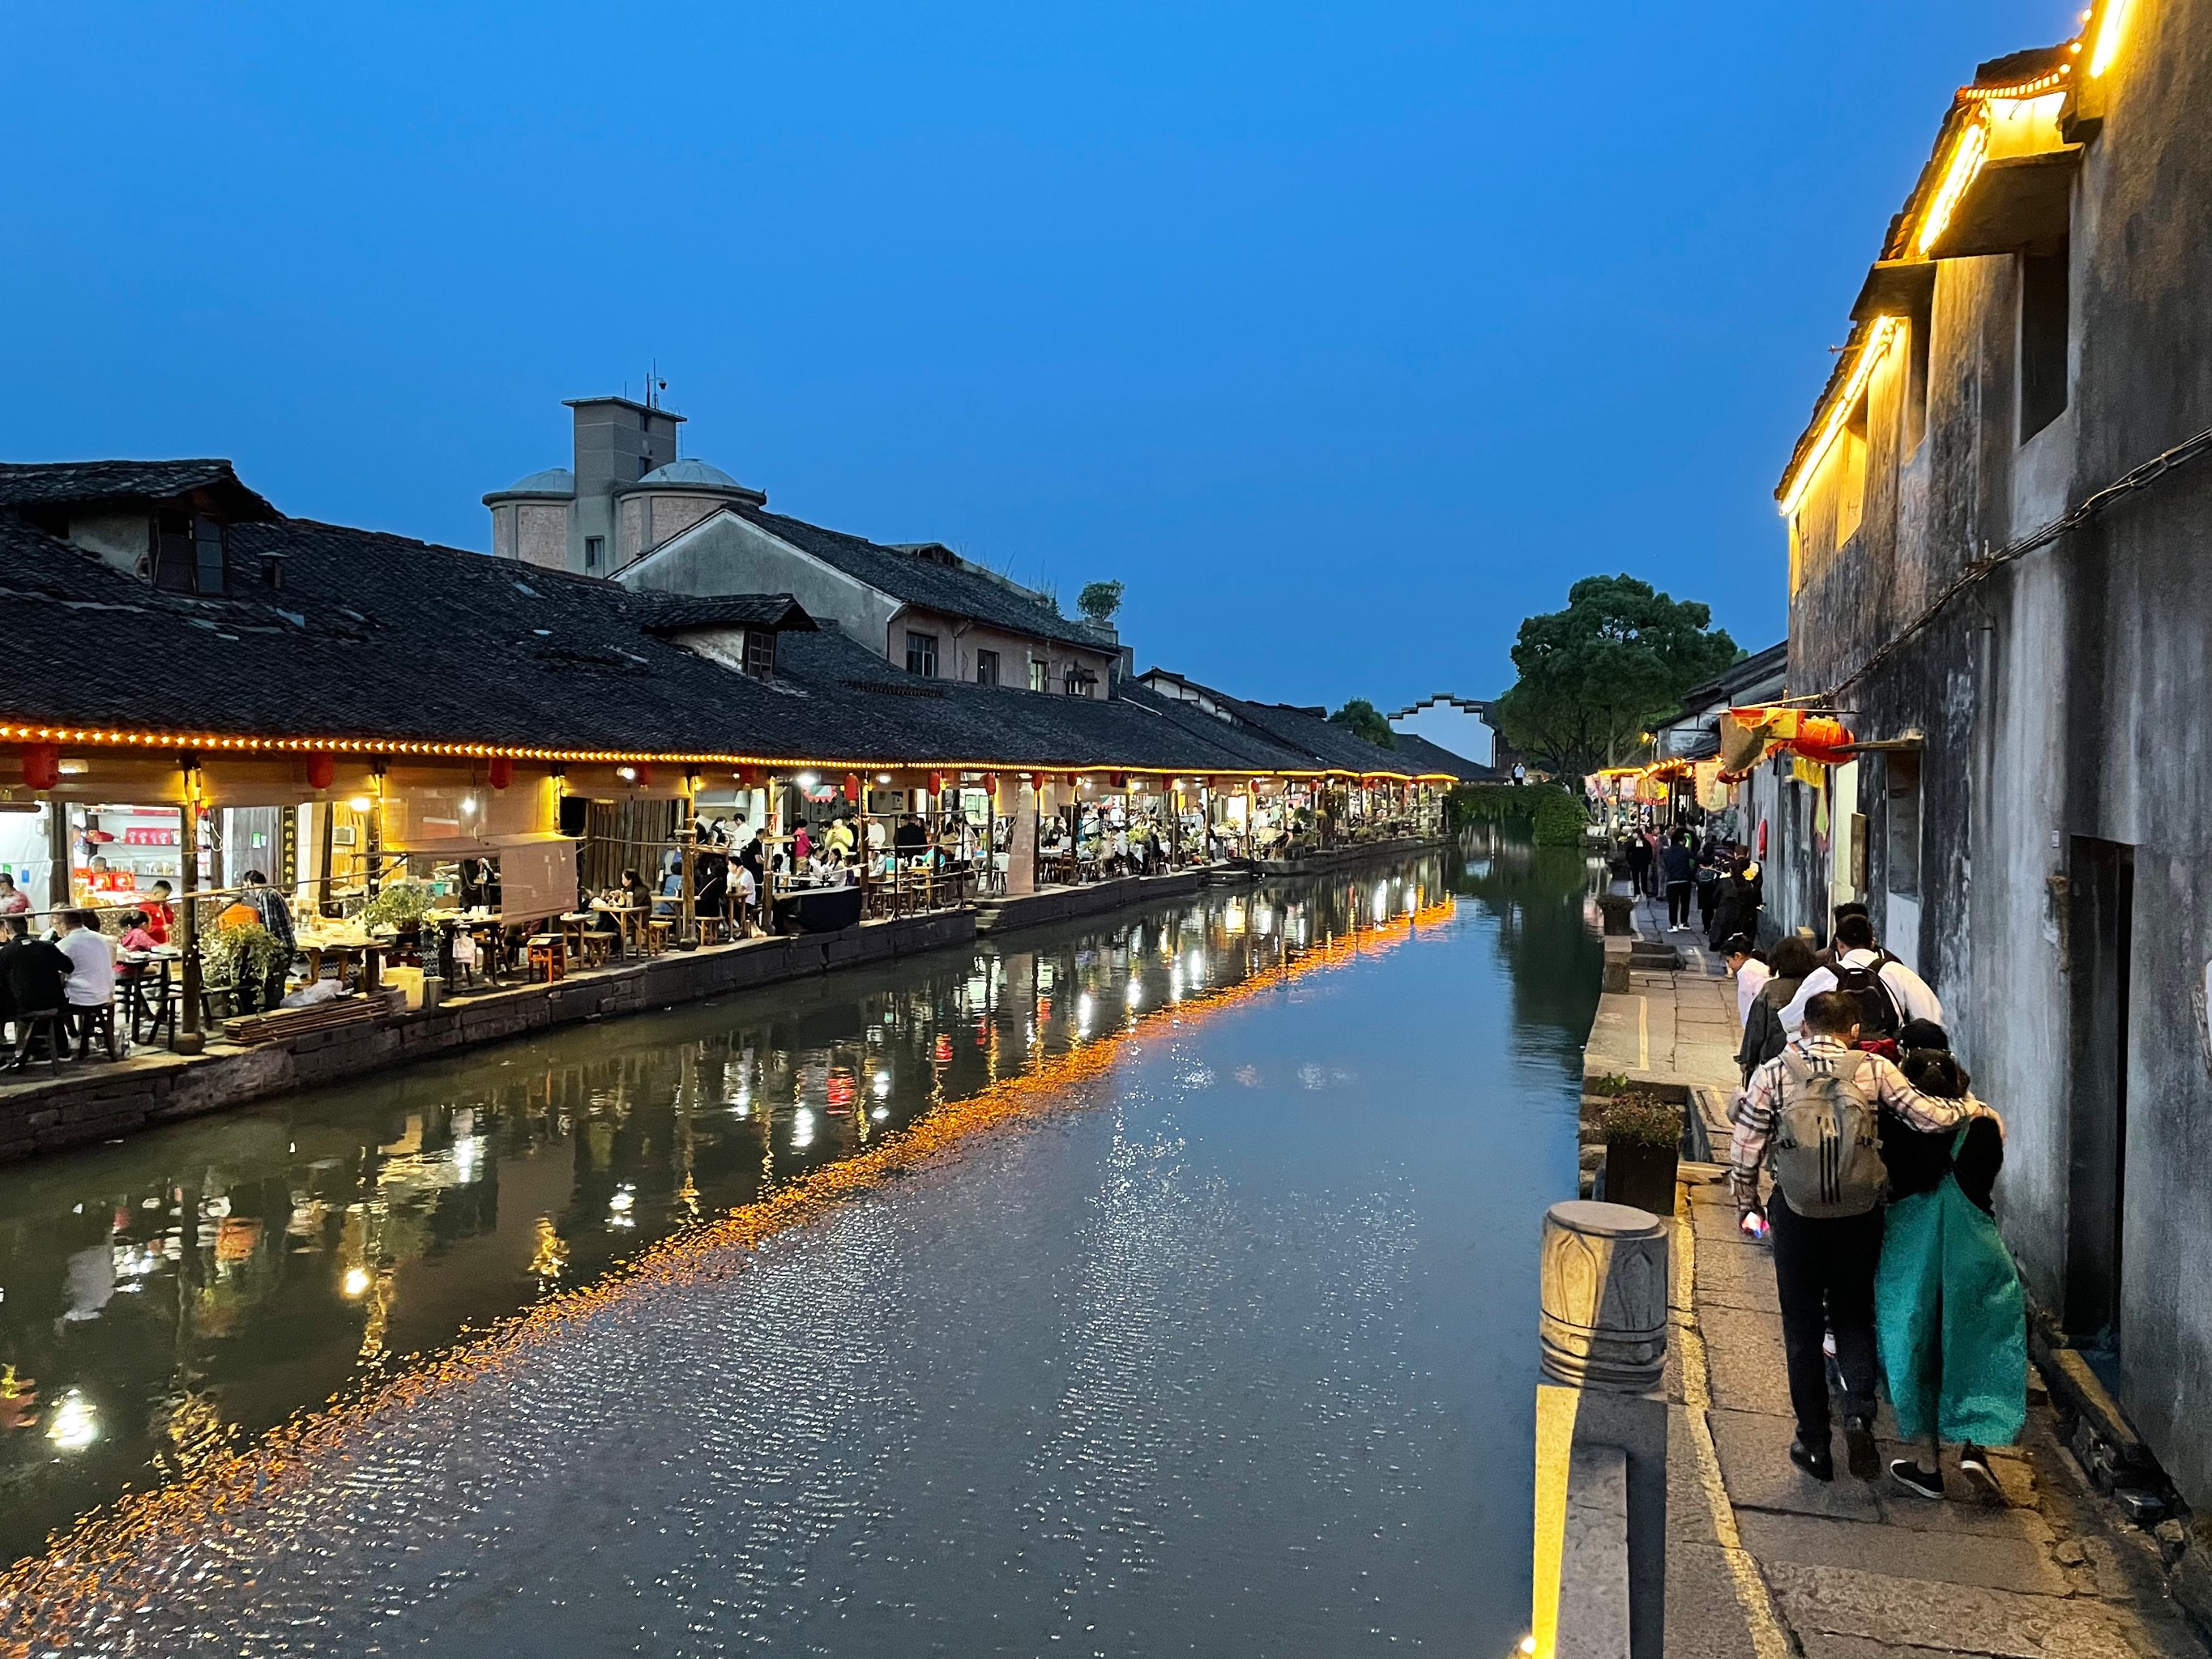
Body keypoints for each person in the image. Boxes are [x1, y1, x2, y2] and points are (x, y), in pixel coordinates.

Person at [1730, 990, 1989, 1483]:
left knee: (1802, 1332)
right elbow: (1927, 1118)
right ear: (1854, 1031)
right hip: (1859, 1215)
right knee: (1854, 1315)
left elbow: (1745, 1150)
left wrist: (1749, 1206)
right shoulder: (1873, 1070)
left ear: (1805, 1027)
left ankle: (1814, 1444)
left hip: (1798, 1217)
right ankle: (1858, 1412)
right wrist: (1972, 1108)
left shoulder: (1774, 1071)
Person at [1876, 1040, 2024, 1499]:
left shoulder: (1896, 1129)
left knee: (1914, 1348)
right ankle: (1974, 1446)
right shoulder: (1983, 1126)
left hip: (1910, 1255)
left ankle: (1927, 1464)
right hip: (1976, 1250)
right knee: (1979, 1344)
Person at [1781, 912, 1941, 1043]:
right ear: (1872, 943)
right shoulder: (1897, 972)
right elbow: (1932, 1019)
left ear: (1839, 944)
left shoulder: (1823, 976)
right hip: (1887, 1060)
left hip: (1838, 1063)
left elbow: (1789, 1021)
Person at [1737, 936, 1817, 1081]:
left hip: (1772, 1060)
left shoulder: (1771, 990)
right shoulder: (1815, 987)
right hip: (1809, 1060)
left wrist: (1747, 1061)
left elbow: (1756, 1029)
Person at [0, 915, 70, 1053]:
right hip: (54, 1001)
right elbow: (69, 967)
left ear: (7, 930)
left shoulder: (6, 953)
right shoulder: (47, 947)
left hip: (26, 1004)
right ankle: (58, 1048)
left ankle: (11, 1050)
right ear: (27, 928)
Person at [53, 910, 117, 1056]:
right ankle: (76, 1038)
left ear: (64, 925)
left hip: (82, 998)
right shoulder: (101, 939)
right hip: (105, 993)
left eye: (56, 924)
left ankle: (63, 1047)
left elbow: (59, 975)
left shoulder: (65, 944)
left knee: (51, 1005)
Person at [238, 870, 297, 955]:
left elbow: (270, 928)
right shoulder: (271, 892)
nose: (248, 891)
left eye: (245, 886)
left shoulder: (265, 896)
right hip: (286, 943)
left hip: (283, 946)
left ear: (250, 882)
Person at [1725, 935, 1770, 1026]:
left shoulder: (1746, 971)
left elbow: (1748, 1001)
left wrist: (1748, 1026)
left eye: (1728, 961)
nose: (1729, 966)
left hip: (1759, 1019)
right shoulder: (1758, 965)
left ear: (1738, 956)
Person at [1661, 833, 1697, 931]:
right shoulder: (1685, 851)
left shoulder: (1667, 852)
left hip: (1672, 881)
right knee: (1685, 903)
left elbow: (1666, 864)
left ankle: (1673, 925)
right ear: (1681, 841)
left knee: (1673, 904)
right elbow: (1695, 859)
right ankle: (1683, 923)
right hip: (1685, 880)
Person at [143, 880, 176, 945]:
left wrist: (166, 908)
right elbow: (143, 928)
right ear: (156, 893)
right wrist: (161, 928)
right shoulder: (145, 907)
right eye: (164, 897)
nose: (166, 899)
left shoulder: (162, 907)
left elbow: (170, 921)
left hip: (164, 944)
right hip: (152, 944)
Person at [1623, 830, 1654, 897]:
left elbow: (1650, 853)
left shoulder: (1646, 843)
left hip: (1644, 863)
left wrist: (1648, 861)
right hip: (1634, 863)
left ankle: (1644, 891)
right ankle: (1637, 891)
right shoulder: (1632, 843)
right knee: (1635, 878)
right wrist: (1630, 861)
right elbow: (1627, 852)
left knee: (1644, 877)